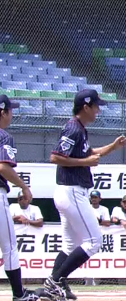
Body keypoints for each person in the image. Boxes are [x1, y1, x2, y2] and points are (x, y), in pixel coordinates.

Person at [45, 89, 126, 301]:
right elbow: (55, 157)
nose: (98, 110)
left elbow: (90, 154)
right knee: (94, 241)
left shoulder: (80, 129)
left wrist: (113, 147)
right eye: (96, 106)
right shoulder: (73, 128)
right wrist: (84, 162)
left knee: (69, 246)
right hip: (72, 191)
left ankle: (55, 286)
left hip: (69, 192)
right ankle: (54, 282)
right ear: (86, 107)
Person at [0, 95, 43, 300]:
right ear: (3, 112)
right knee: (9, 247)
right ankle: (19, 294)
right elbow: (3, 167)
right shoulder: (3, 136)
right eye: (10, 110)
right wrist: (24, 187)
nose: (12, 114)